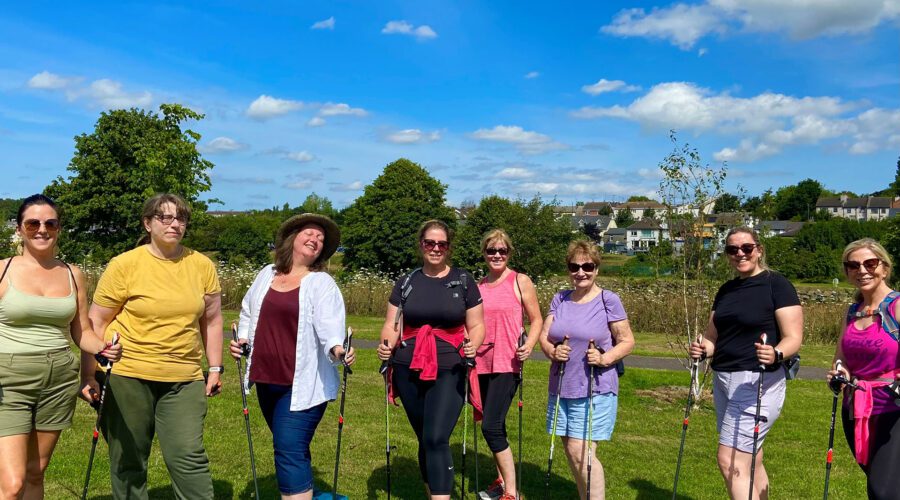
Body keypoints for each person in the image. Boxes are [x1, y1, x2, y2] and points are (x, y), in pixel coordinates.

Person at [82, 193, 223, 500]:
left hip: (184, 378)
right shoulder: (125, 265)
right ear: (147, 223)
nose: (175, 224)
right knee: (128, 460)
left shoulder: (201, 265)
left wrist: (214, 368)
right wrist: (89, 374)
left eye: (181, 218)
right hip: (128, 375)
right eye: (165, 217)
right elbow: (95, 321)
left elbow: (212, 321)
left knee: (188, 457)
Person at [0, 194, 121, 499]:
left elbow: (82, 332)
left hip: (58, 379)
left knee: (35, 473)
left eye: (50, 223)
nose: (42, 229)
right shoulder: (2, 270)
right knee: (11, 484)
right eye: (33, 223)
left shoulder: (72, 274)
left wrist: (104, 346)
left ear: (59, 228)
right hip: (8, 380)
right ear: (19, 228)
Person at [230, 213, 354, 500]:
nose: (316, 240)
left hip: (302, 384)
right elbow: (249, 311)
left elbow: (330, 327)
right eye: (310, 234)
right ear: (292, 238)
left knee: (288, 450)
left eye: (321, 239)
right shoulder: (267, 274)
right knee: (291, 448)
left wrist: (338, 349)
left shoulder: (321, 283)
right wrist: (244, 340)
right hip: (266, 379)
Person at [690, 227, 803, 500]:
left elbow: (793, 338)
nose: (740, 253)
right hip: (723, 379)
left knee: (729, 459)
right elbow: (714, 337)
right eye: (732, 249)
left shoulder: (777, 284)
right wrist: (703, 348)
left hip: (757, 381)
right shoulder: (726, 290)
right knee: (750, 458)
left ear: (759, 250)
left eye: (746, 248)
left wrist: (776, 354)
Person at [376, 219, 485, 500]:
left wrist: (474, 344)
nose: (435, 248)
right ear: (421, 245)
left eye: (441, 244)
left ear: (448, 248)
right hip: (407, 367)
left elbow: (477, 325)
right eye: (430, 243)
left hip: (450, 367)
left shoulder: (463, 280)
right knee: (425, 438)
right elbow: (392, 323)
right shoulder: (407, 282)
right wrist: (387, 344)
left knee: (437, 437)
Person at [539, 240, 634, 500]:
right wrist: (552, 351)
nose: (581, 272)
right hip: (561, 385)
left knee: (582, 451)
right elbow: (545, 336)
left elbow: (627, 341)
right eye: (574, 266)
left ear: (597, 269)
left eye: (587, 266)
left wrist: (604, 359)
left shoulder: (608, 300)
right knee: (571, 450)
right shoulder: (560, 298)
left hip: (594, 386)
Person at [827, 238, 899, 499]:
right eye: (854, 265)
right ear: (847, 271)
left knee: (884, 490)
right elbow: (841, 359)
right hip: (856, 409)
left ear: (884, 267)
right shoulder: (852, 312)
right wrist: (839, 372)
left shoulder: (897, 306)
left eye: (870, 263)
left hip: (893, 409)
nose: (862, 270)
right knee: (878, 483)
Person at [474, 229, 543, 500]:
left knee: (490, 425)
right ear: (484, 253)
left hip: (507, 362)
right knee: (495, 424)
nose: (497, 255)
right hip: (480, 362)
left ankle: (511, 493)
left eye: (502, 251)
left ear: (509, 253)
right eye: (491, 250)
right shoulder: (479, 285)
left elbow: (536, 319)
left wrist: (530, 345)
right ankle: (501, 479)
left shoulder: (520, 281)